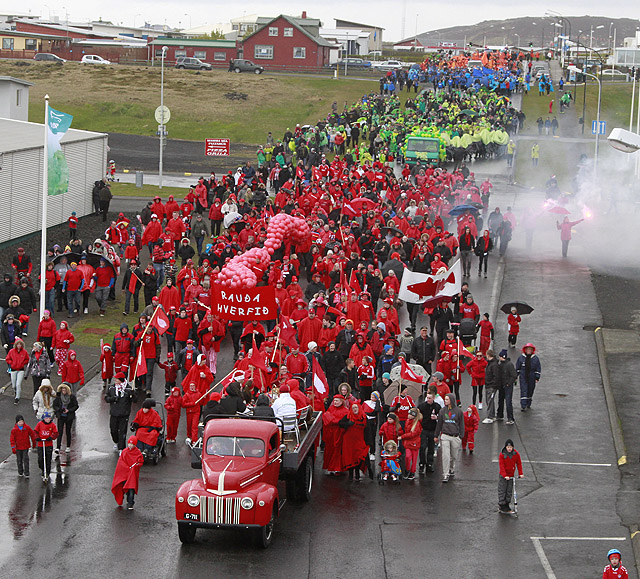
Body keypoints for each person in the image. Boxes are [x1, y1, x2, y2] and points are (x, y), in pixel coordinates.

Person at [434, 393, 464, 483]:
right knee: (445, 456)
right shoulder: (442, 411)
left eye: (447, 399)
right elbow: (439, 424)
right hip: (445, 436)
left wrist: (461, 436)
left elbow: (462, 424)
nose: (445, 401)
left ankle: (451, 467)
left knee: (453, 456)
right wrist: (436, 435)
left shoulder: (459, 411)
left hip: (455, 436)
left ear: (451, 400)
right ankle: (445, 474)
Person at [111, 436, 144, 510]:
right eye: (129, 444)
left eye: (132, 444)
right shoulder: (125, 452)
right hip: (124, 474)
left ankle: (130, 502)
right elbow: (121, 462)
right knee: (124, 486)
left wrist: (136, 465)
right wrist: (127, 468)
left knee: (131, 488)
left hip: (132, 475)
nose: (130, 446)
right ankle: (128, 499)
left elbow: (140, 461)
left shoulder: (137, 453)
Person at [105, 372, 134, 452]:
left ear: (121, 380)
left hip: (124, 414)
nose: (115, 380)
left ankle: (121, 448)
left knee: (122, 431)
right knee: (113, 430)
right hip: (114, 413)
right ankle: (116, 441)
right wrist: (113, 399)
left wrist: (133, 394)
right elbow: (106, 398)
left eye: (117, 379)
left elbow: (134, 400)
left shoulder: (128, 389)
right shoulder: (111, 388)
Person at [322, 395, 348, 474]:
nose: (335, 402)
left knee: (337, 450)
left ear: (342, 402)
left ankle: (337, 467)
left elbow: (344, 422)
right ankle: (331, 467)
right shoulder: (331, 408)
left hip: (339, 433)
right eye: (334, 401)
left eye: (337, 401)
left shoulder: (345, 411)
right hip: (330, 433)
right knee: (330, 450)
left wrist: (333, 420)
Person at [498, 438, 523, 513]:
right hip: (504, 476)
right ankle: (502, 505)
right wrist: (505, 475)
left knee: (509, 490)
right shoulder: (502, 455)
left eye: (510, 447)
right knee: (502, 490)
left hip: (511, 475)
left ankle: (507, 504)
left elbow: (519, 463)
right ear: (506, 447)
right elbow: (501, 466)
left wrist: (520, 473)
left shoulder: (516, 454)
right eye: (508, 447)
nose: (509, 449)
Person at [53, 382, 79, 454]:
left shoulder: (72, 397)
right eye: (62, 389)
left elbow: (76, 406)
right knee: (60, 431)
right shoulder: (58, 397)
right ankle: (58, 447)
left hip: (69, 417)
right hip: (61, 416)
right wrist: (59, 410)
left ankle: (68, 446)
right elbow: (54, 405)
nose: (63, 390)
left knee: (68, 431)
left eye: (65, 389)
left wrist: (69, 410)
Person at [516, 343, 541, 411]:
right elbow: (518, 367)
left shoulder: (535, 359)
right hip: (523, 376)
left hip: (532, 376)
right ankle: (523, 405)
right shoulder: (521, 358)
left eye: (530, 349)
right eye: (527, 349)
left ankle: (528, 403)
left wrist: (537, 377)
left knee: (530, 390)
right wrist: (516, 376)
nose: (529, 351)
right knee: (524, 390)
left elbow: (538, 368)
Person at [418, 391, 439, 473]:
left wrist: (436, 417)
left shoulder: (437, 406)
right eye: (427, 398)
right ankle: (422, 464)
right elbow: (417, 415)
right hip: (424, 429)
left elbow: (440, 417)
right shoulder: (422, 406)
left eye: (430, 398)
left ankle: (429, 464)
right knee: (422, 447)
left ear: (433, 398)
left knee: (431, 448)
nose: (428, 400)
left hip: (433, 429)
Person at [34, 410, 58, 483]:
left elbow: (56, 433)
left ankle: (47, 472)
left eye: (49, 418)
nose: (48, 420)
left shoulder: (52, 425)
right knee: (41, 459)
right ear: (43, 418)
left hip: (48, 444)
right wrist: (37, 438)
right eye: (46, 418)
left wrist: (51, 437)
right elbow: (35, 432)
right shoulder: (40, 424)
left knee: (48, 458)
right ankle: (42, 469)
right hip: (41, 444)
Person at [399, 407, 422, 480]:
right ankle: (407, 470)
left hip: (415, 443)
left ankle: (412, 472)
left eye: (410, 414)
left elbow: (413, 434)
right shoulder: (407, 421)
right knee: (408, 457)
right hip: (408, 443)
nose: (408, 415)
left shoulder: (417, 424)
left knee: (414, 459)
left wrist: (402, 437)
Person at [5, 337, 29, 404]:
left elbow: (27, 359)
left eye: (20, 344)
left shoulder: (24, 352)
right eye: (18, 344)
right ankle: (16, 391)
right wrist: (12, 363)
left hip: (21, 370)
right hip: (13, 369)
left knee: (18, 384)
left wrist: (23, 363)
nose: (19, 346)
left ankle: (17, 398)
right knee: (14, 385)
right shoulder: (11, 351)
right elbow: (7, 359)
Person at [497, 349, 517, 424]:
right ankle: (500, 415)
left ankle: (510, 418)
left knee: (508, 402)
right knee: (501, 400)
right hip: (502, 385)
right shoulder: (502, 364)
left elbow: (514, 375)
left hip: (507, 386)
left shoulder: (509, 365)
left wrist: (509, 383)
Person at [482, 349, 500, 423]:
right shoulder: (492, 363)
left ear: (488, 355)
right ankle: (491, 415)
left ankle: (490, 416)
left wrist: (493, 385)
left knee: (489, 400)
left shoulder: (493, 365)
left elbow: (496, 376)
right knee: (489, 400)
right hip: (489, 385)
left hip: (491, 386)